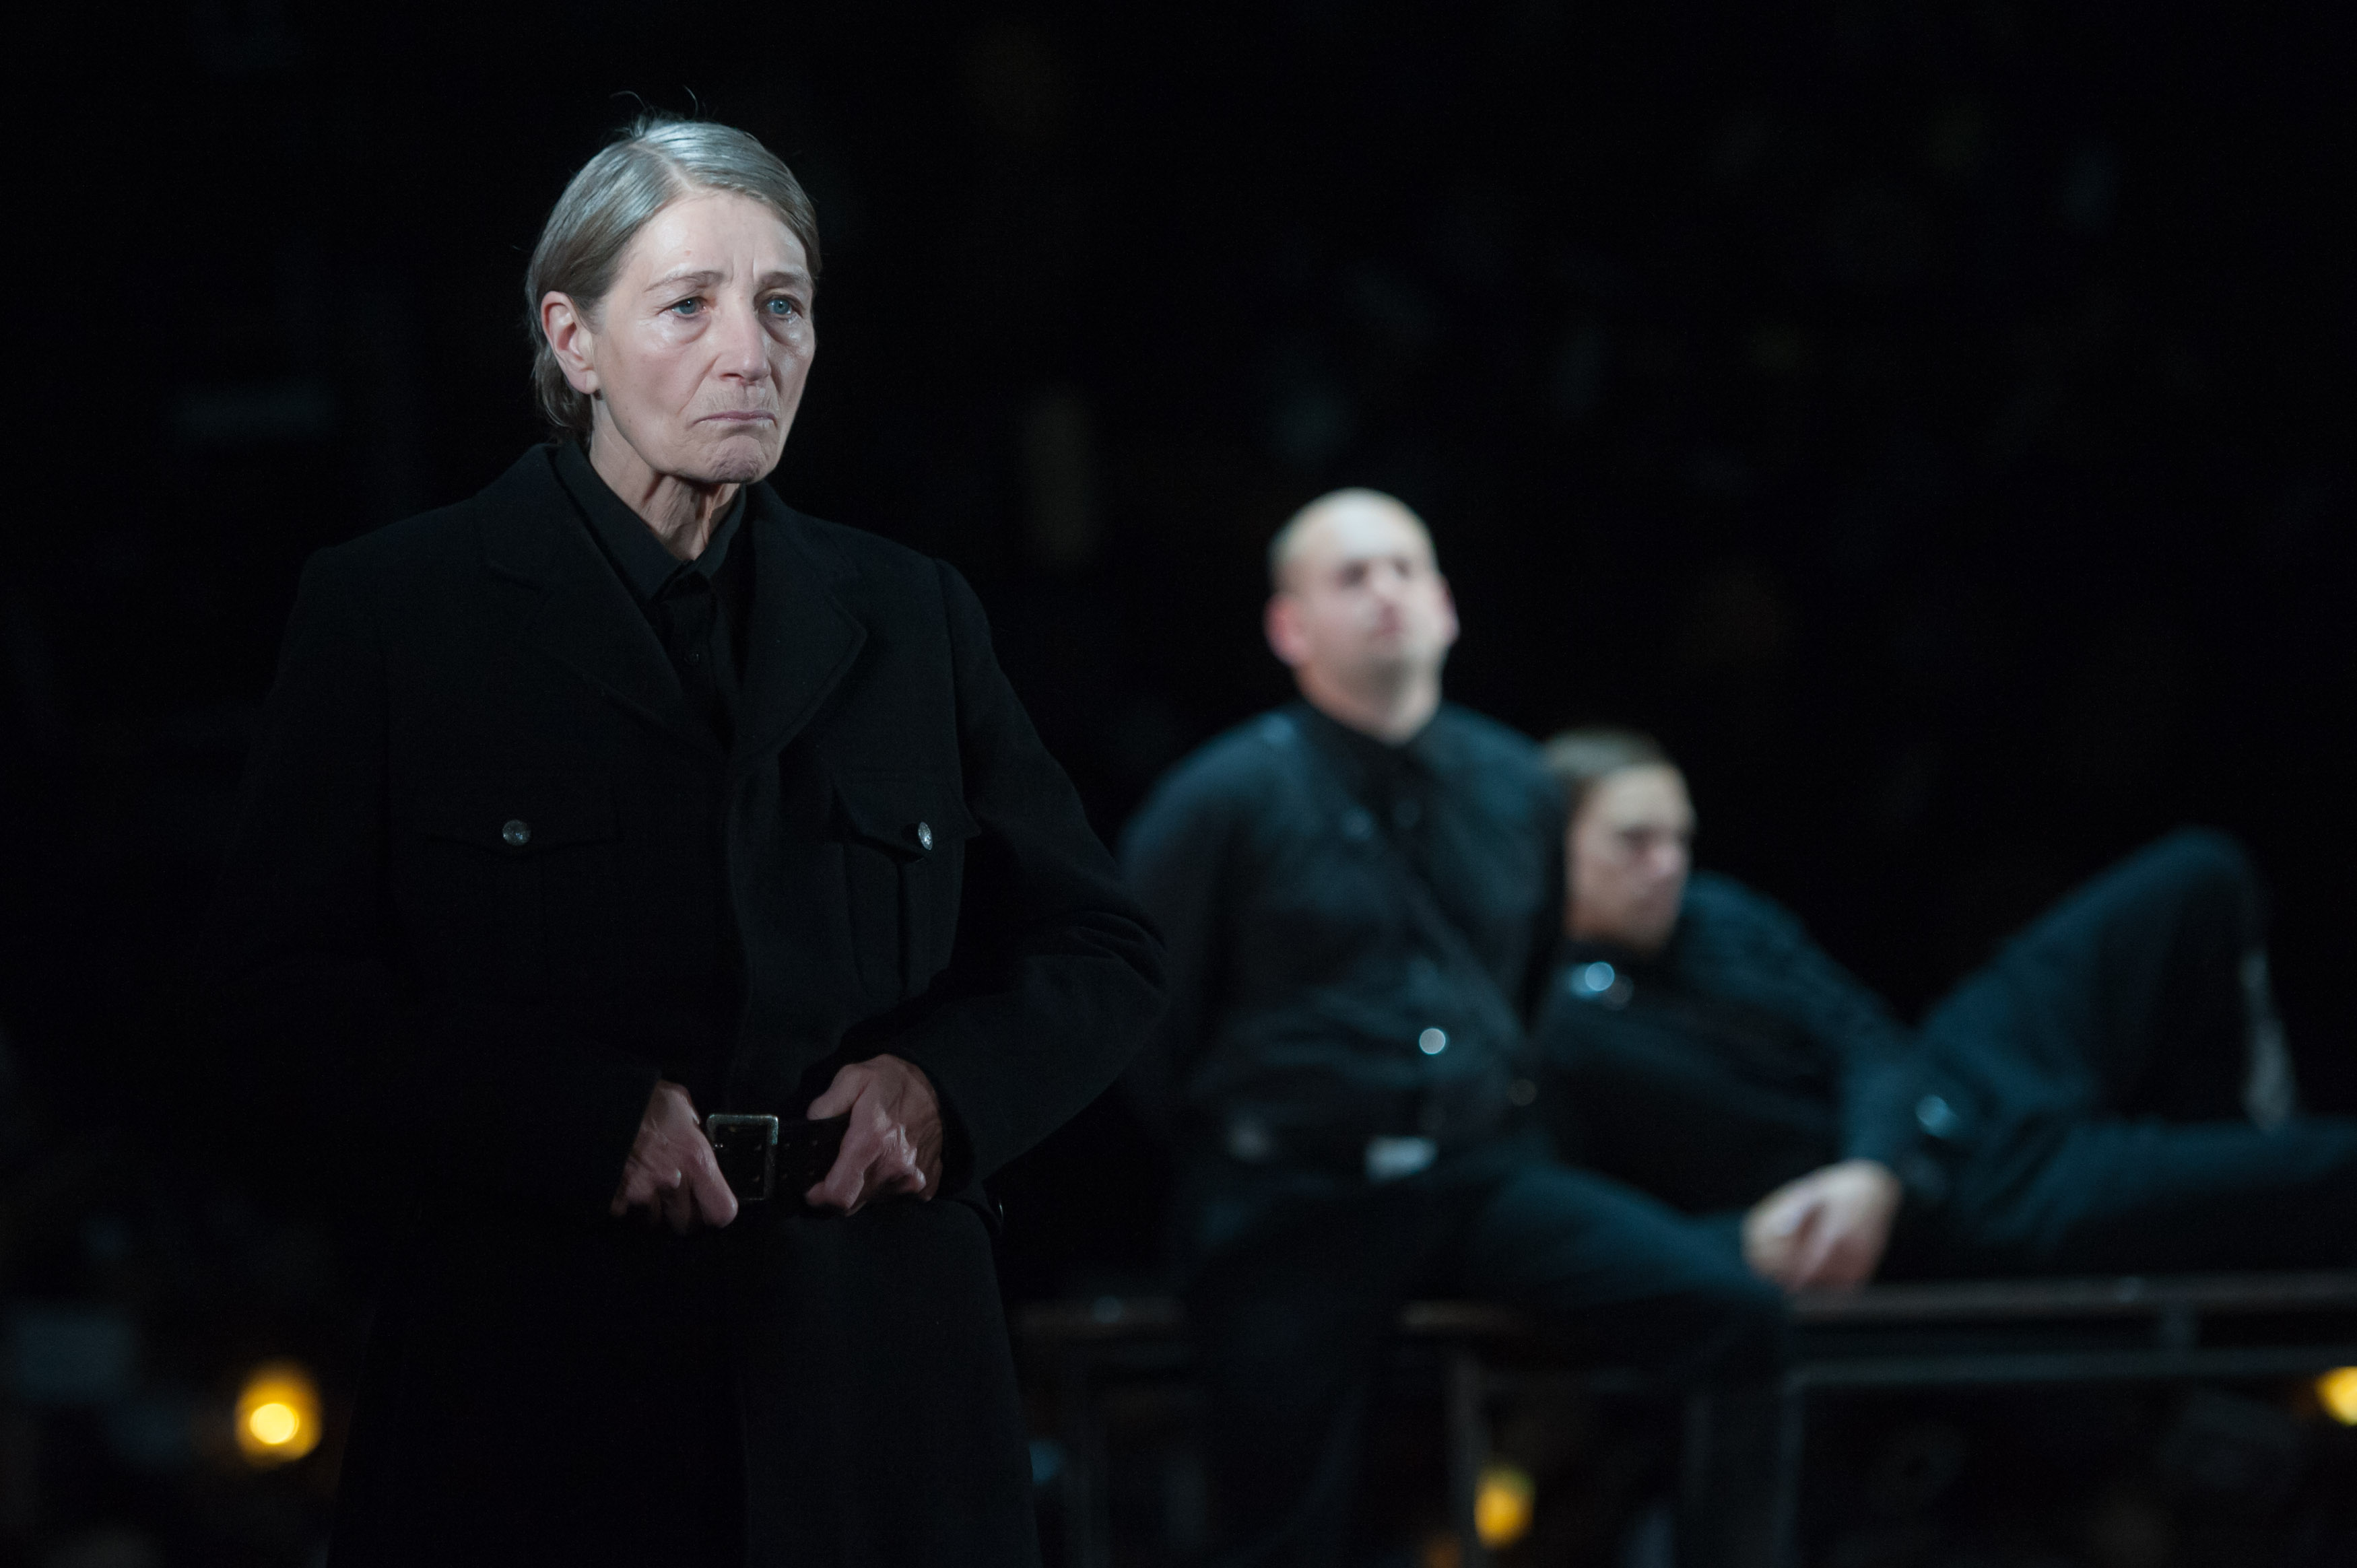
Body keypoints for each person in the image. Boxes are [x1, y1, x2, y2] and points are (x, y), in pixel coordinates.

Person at [205, 116, 1163, 1567]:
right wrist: (566, 1118)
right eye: (688, 305)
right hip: (534, 1384)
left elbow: (1100, 944)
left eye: (783, 305)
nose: (749, 352)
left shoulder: (911, 616)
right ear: (572, 339)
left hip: (878, 1393)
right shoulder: (397, 614)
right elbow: (275, 994)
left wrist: (942, 1091)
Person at [1121, 494, 1782, 1566]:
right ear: (1290, 625)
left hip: (1476, 1173)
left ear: (1446, 605)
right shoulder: (1220, 798)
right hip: (1292, 1194)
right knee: (1283, 1523)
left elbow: (1529, 982)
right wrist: (1262, 1132)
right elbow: (1151, 1016)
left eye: (1405, 569)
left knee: (1734, 1317)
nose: (1385, 593)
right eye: (1352, 576)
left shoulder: (1518, 785)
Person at [1533, 726, 2357, 1291]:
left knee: (2198, 875)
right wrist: (1751, 1237)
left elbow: (1866, 1036)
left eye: (1680, 838)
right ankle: (2231, 1198)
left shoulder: (1717, 914)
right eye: (1635, 842)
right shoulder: (1554, 1028)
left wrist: (1870, 1162)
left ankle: (2228, 1168)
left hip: (1954, 1074)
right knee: (2326, 1167)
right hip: (1964, 1198)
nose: (1668, 866)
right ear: (1549, 845)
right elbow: (1574, 1220)